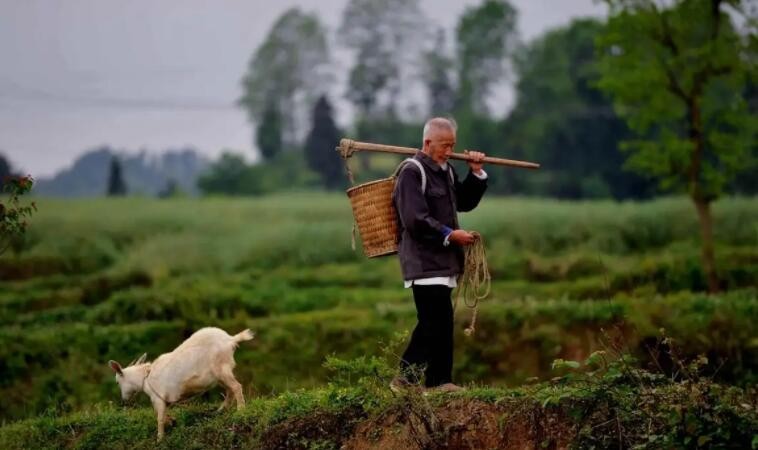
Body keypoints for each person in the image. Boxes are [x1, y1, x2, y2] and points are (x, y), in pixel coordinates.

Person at [391, 117, 488, 393]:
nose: (448, 152)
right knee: (433, 321)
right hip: (423, 261)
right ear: (427, 143)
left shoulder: (446, 170)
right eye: (444, 146)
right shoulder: (412, 172)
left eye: (452, 146)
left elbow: (464, 202)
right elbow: (414, 219)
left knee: (441, 321)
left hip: (444, 261)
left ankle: (439, 381)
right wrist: (450, 234)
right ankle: (405, 379)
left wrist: (477, 173)